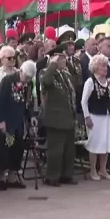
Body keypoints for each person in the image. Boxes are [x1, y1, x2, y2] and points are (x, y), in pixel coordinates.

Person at [0, 60, 36, 190]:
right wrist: (0, 121)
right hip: (6, 121)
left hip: (18, 121)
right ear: (21, 71)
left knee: (17, 149)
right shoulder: (8, 81)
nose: (27, 80)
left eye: (30, 78)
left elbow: (28, 102)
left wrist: (31, 116)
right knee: (5, 150)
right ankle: (2, 178)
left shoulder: (28, 84)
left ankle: (12, 177)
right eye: (26, 77)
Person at [40, 42, 78, 186]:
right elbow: (46, 82)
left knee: (69, 150)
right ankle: (52, 177)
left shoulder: (65, 74)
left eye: (64, 58)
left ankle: (66, 175)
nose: (64, 61)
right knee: (56, 151)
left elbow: (73, 88)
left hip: (68, 117)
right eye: (60, 58)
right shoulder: (47, 72)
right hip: (55, 118)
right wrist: (53, 65)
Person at [0, 46, 23, 189]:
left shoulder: (19, 73)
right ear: (1, 60)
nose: (12, 60)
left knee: (17, 145)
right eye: (9, 58)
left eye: (14, 57)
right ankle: (1, 177)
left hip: (17, 113)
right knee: (4, 146)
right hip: (3, 113)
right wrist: (7, 95)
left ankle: (13, 177)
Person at [81, 54, 110, 180]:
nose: (106, 68)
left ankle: (103, 169)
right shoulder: (90, 82)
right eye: (103, 65)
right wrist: (87, 117)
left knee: (106, 143)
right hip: (95, 116)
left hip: (107, 115)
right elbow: (84, 101)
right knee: (95, 144)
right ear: (96, 67)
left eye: (106, 65)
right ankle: (92, 170)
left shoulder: (107, 82)